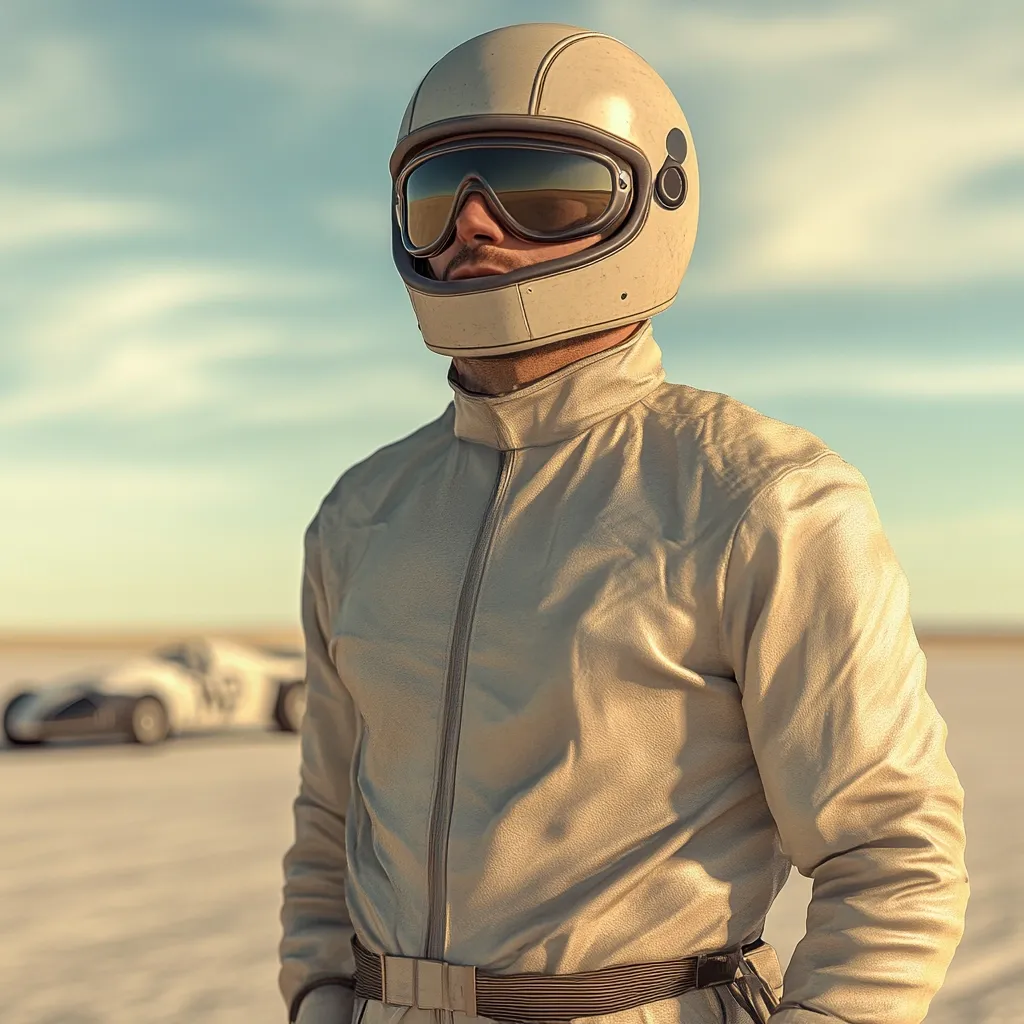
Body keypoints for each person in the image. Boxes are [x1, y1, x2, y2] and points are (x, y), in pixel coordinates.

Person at [279, 22, 968, 1024]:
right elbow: (328, 827)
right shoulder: (362, 515)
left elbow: (893, 851)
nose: (471, 226)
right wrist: (317, 1000)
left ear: (654, 199)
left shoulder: (763, 496)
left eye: (541, 189)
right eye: (438, 198)